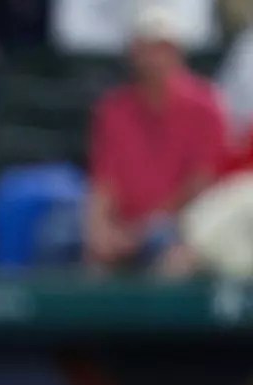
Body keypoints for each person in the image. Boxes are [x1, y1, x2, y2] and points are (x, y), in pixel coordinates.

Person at [84, 7, 229, 275]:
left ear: (177, 53)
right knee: (61, 235)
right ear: (133, 53)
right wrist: (99, 231)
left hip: (181, 224)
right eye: (147, 48)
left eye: (163, 48)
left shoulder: (206, 106)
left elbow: (199, 185)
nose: (155, 58)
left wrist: (139, 232)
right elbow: (103, 184)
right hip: (124, 223)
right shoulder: (113, 110)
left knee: (170, 249)